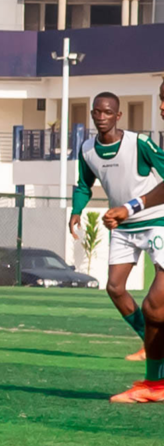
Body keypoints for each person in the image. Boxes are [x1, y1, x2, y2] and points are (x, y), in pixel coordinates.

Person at [69, 92, 164, 371]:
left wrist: (133, 206)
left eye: (108, 112)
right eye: (97, 112)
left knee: (155, 300)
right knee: (114, 287)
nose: (102, 117)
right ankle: (148, 338)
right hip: (122, 225)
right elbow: (84, 184)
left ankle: (155, 370)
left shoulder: (139, 143)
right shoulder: (87, 149)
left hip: (155, 220)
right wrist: (77, 210)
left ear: (118, 115)